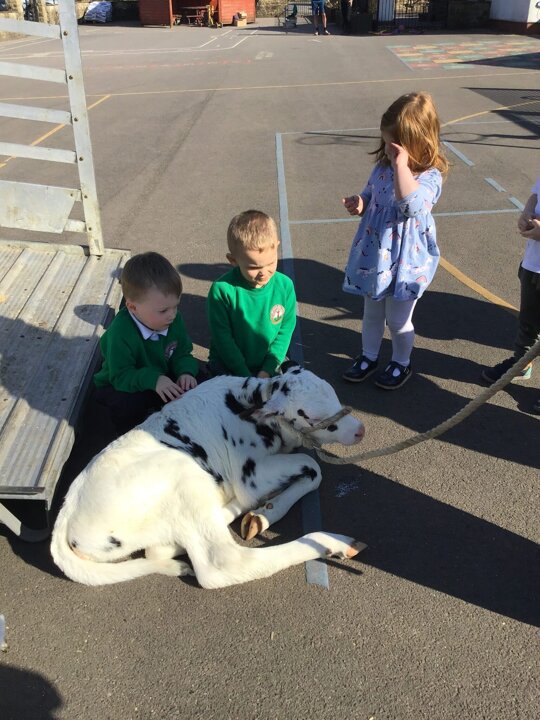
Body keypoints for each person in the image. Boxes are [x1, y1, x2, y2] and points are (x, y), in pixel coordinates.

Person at [341, 91, 448, 389]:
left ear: (418, 142)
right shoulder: (382, 168)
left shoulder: (430, 177)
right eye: (387, 142)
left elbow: (410, 206)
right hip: (376, 257)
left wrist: (402, 167)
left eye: (395, 146)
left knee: (398, 320)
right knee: (372, 312)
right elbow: (370, 193)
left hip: (406, 263)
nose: (388, 150)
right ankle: (368, 356)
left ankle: (402, 362)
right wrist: (360, 203)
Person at [94, 251, 199, 434]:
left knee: (197, 384)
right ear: (132, 307)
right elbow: (121, 376)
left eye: (176, 306)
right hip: (122, 383)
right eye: (163, 310)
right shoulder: (120, 333)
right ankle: (131, 435)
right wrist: (155, 379)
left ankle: (179, 424)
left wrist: (186, 372)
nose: (172, 315)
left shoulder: (173, 320)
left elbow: (182, 353)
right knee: (127, 404)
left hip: (160, 376)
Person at [207, 210, 296, 378]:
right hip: (228, 365)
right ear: (233, 260)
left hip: (269, 362)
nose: (263, 272)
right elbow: (222, 338)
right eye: (253, 267)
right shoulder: (222, 290)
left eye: (271, 263)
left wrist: (267, 369)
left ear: (276, 247)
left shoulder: (285, 286)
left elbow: (285, 331)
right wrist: (244, 374)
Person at [481, 177, 540, 414]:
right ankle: (522, 362)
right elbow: (536, 194)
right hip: (533, 264)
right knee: (528, 322)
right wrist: (526, 212)